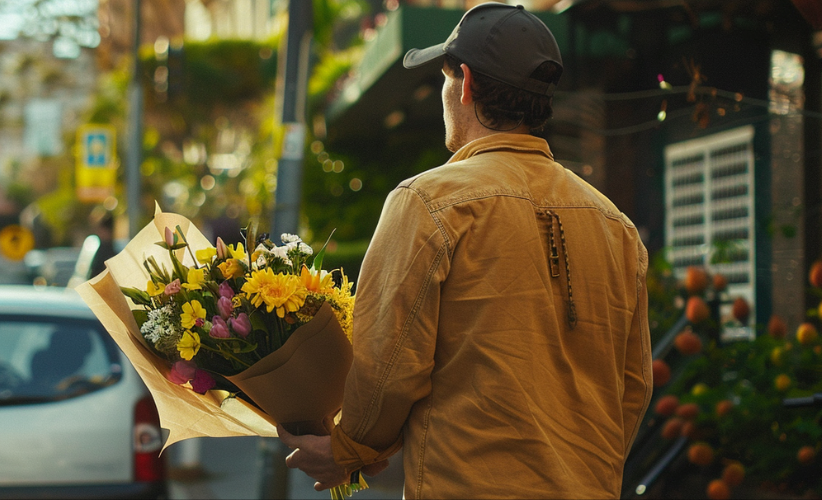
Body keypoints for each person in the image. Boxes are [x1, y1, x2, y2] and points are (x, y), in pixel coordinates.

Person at [279, 4, 652, 499]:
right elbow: (633, 386)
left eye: (444, 78)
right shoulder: (616, 227)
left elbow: (388, 368)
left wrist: (348, 449)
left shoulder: (428, 202)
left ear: (467, 84)